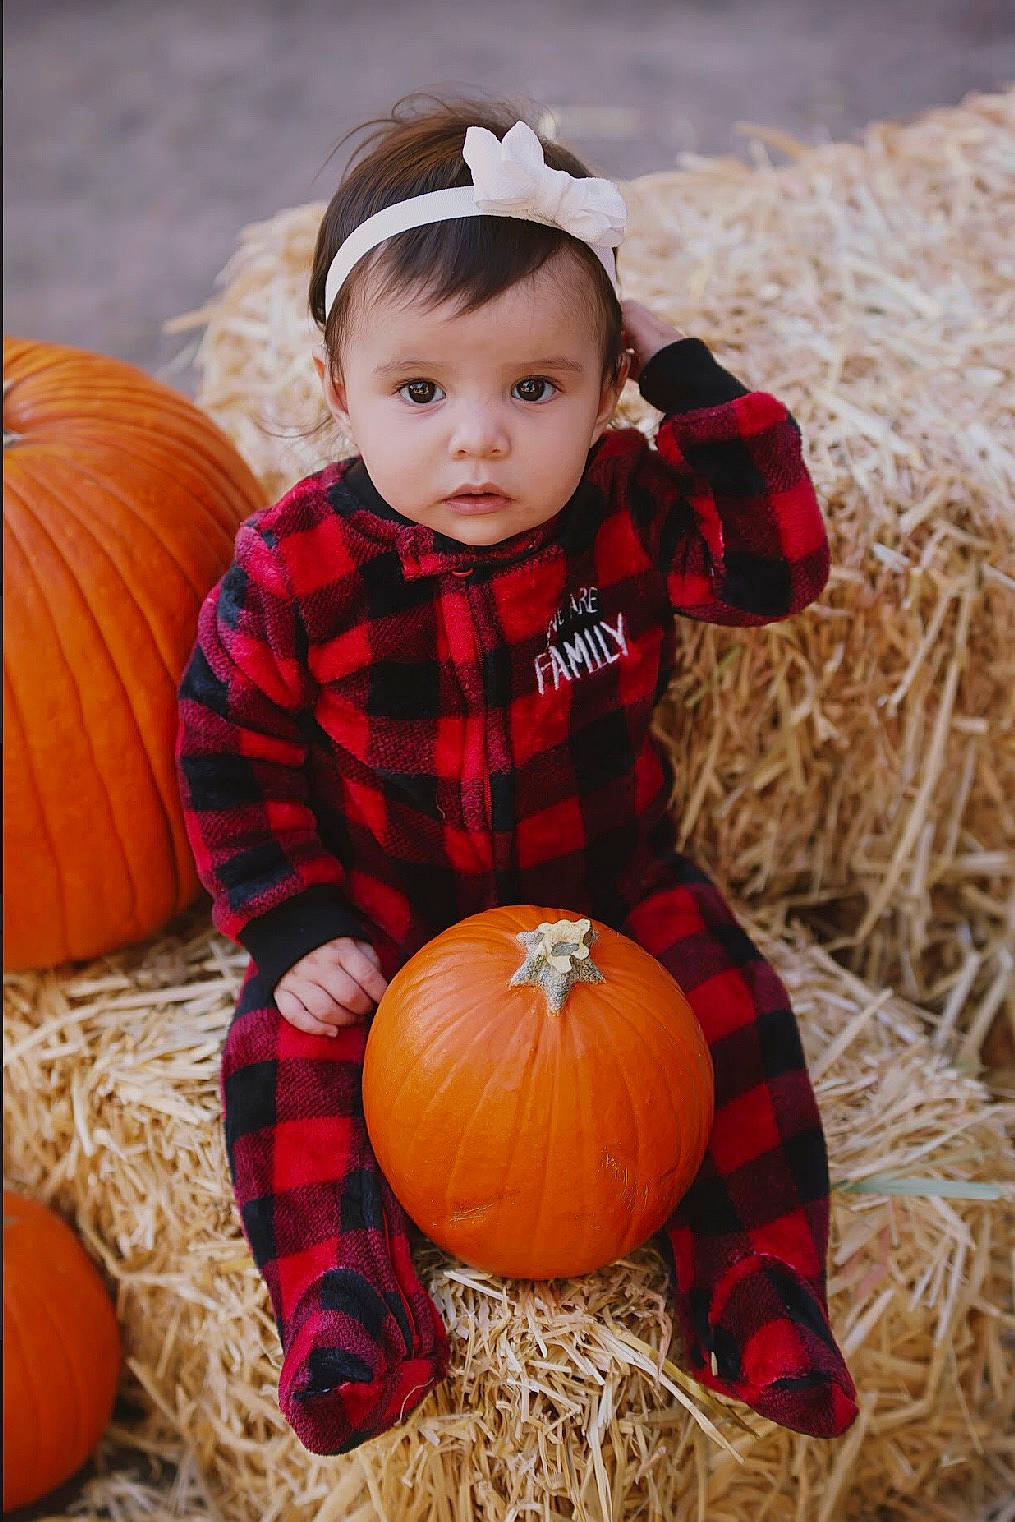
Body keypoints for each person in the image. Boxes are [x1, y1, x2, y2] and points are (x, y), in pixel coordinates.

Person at [176, 95, 858, 1457]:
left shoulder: (624, 502)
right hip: (383, 908)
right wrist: (297, 921)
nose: (478, 438)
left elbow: (775, 570)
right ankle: (347, 1309)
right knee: (281, 1061)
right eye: (420, 391)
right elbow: (226, 747)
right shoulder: (297, 564)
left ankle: (760, 1292)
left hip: (605, 890)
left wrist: (696, 392)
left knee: (731, 1011)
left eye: (533, 388)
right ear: (339, 392)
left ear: (606, 390)